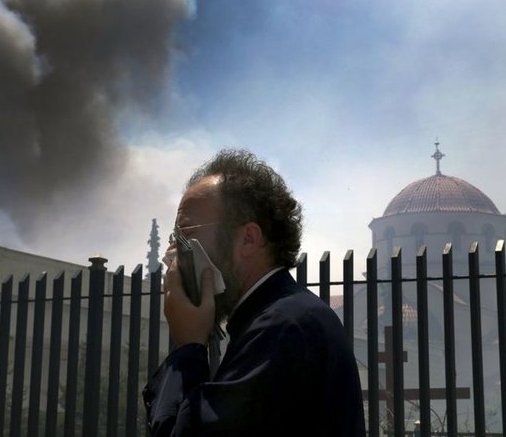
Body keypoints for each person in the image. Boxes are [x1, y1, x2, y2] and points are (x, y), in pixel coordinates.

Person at [143, 149, 365, 436]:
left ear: (248, 239)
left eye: (186, 236)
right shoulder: (278, 317)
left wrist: (188, 348)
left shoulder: (282, 327)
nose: (173, 253)